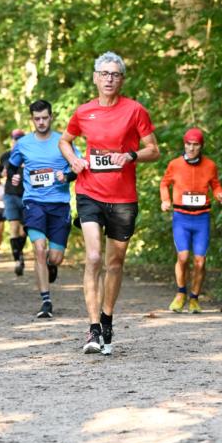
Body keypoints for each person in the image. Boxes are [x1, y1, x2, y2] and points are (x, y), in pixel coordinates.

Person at [59, 51, 159, 355]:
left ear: (122, 79)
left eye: (115, 74)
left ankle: (107, 319)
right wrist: (74, 159)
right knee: (93, 257)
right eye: (104, 73)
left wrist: (131, 155)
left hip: (124, 197)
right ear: (94, 77)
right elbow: (64, 140)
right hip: (90, 192)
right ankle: (92, 329)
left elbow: (154, 150)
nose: (109, 79)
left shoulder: (135, 110)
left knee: (114, 263)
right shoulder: (83, 112)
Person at [9, 100, 79, 319]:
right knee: (39, 249)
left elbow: (78, 168)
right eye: (37, 118)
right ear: (32, 119)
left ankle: (52, 265)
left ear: (51, 117)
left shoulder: (64, 141)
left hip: (59, 205)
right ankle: (46, 301)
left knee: (54, 257)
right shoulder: (23, 143)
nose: (41, 122)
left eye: (44, 118)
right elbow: (12, 165)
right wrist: (15, 175)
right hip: (33, 202)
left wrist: (66, 176)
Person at [160, 128, 222, 313]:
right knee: (182, 258)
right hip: (181, 217)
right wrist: (165, 200)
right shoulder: (174, 164)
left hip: (201, 218)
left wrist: (219, 194)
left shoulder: (210, 165)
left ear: (201, 146)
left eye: (195, 145)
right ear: (184, 144)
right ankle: (181, 293)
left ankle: (194, 298)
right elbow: (164, 183)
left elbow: (215, 184)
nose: (191, 148)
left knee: (200, 261)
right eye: (188, 144)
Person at [0, 129, 27, 275]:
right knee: (14, 227)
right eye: (15, 139)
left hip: (27, 195)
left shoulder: (29, 154)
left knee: (24, 230)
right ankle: (17, 260)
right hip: (10, 195)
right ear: (11, 140)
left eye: (20, 139)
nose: (17, 141)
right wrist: (1, 173)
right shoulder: (6, 156)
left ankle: (19, 253)